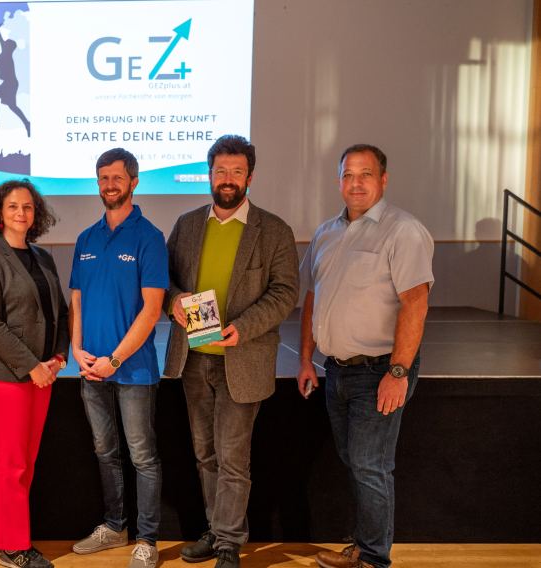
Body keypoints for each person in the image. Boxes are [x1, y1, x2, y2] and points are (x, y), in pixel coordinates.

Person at [163, 135, 299, 567]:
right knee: (205, 454)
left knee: (233, 459)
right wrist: (173, 301)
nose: (227, 179)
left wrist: (244, 327)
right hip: (194, 358)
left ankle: (227, 543)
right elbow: (163, 281)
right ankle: (214, 529)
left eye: (236, 172)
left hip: (244, 359)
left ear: (250, 177)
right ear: (209, 175)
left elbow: (285, 293)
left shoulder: (274, 230)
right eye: (220, 171)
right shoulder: (186, 225)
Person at [298, 144, 433, 568]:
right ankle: (362, 545)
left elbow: (416, 303)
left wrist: (398, 371)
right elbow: (312, 298)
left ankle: (374, 558)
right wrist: (306, 359)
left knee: (370, 467)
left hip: (380, 371)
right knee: (356, 463)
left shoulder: (403, 230)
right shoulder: (326, 232)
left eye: (365, 174)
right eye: (348, 175)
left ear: (383, 179)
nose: (356, 183)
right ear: (339, 180)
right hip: (336, 372)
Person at [69, 147, 168, 568]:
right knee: (105, 451)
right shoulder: (87, 239)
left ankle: (147, 539)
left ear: (134, 181)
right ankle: (114, 525)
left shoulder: (150, 237)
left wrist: (115, 358)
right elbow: (76, 299)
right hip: (90, 369)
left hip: (134, 370)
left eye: (117, 178)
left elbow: (152, 309)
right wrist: (77, 349)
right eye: (103, 178)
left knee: (142, 454)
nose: (110, 185)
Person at [0, 179, 68, 568]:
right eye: (13, 207)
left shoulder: (42, 256)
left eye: (27, 207)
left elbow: (57, 310)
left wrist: (58, 357)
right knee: (14, 463)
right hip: (4, 377)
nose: (21, 213)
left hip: (42, 374)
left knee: (21, 459)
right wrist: (31, 366)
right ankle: (11, 549)